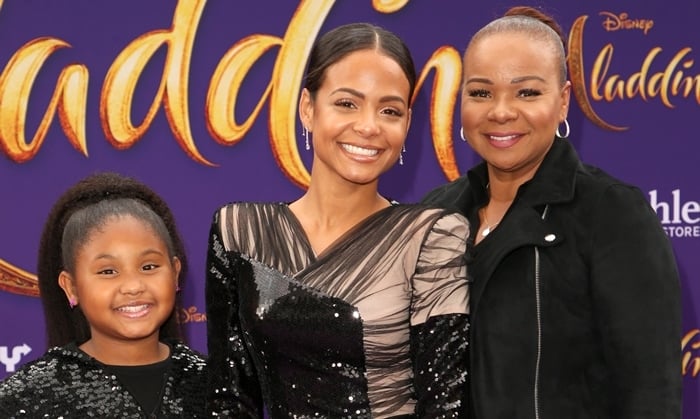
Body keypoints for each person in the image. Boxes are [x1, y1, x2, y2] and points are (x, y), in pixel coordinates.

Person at [422, 5, 682, 418]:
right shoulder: (434, 214)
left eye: (527, 92)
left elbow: (651, 393)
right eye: (480, 92)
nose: (501, 111)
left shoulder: (612, 213)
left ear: (562, 102)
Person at [205, 22, 470, 418]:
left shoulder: (432, 238)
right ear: (308, 109)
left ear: (407, 124)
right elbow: (229, 398)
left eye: (390, 110)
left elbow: (446, 406)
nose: (368, 126)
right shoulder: (239, 232)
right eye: (347, 103)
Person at [0, 172, 207, 418]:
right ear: (71, 287)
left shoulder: (214, 385)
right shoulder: (25, 396)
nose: (132, 286)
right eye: (108, 271)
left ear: (175, 273)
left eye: (149, 267)